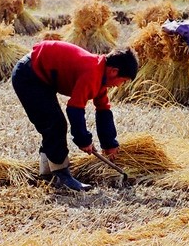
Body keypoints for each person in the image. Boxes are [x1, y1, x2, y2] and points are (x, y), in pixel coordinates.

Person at [12, 40, 138, 192]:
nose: (119, 85)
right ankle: (61, 176)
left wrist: (109, 143)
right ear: (113, 71)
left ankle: (47, 173)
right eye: (122, 81)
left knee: (53, 124)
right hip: (29, 74)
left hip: (42, 77)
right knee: (55, 124)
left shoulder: (100, 75)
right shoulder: (92, 72)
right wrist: (83, 140)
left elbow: (103, 109)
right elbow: (74, 109)